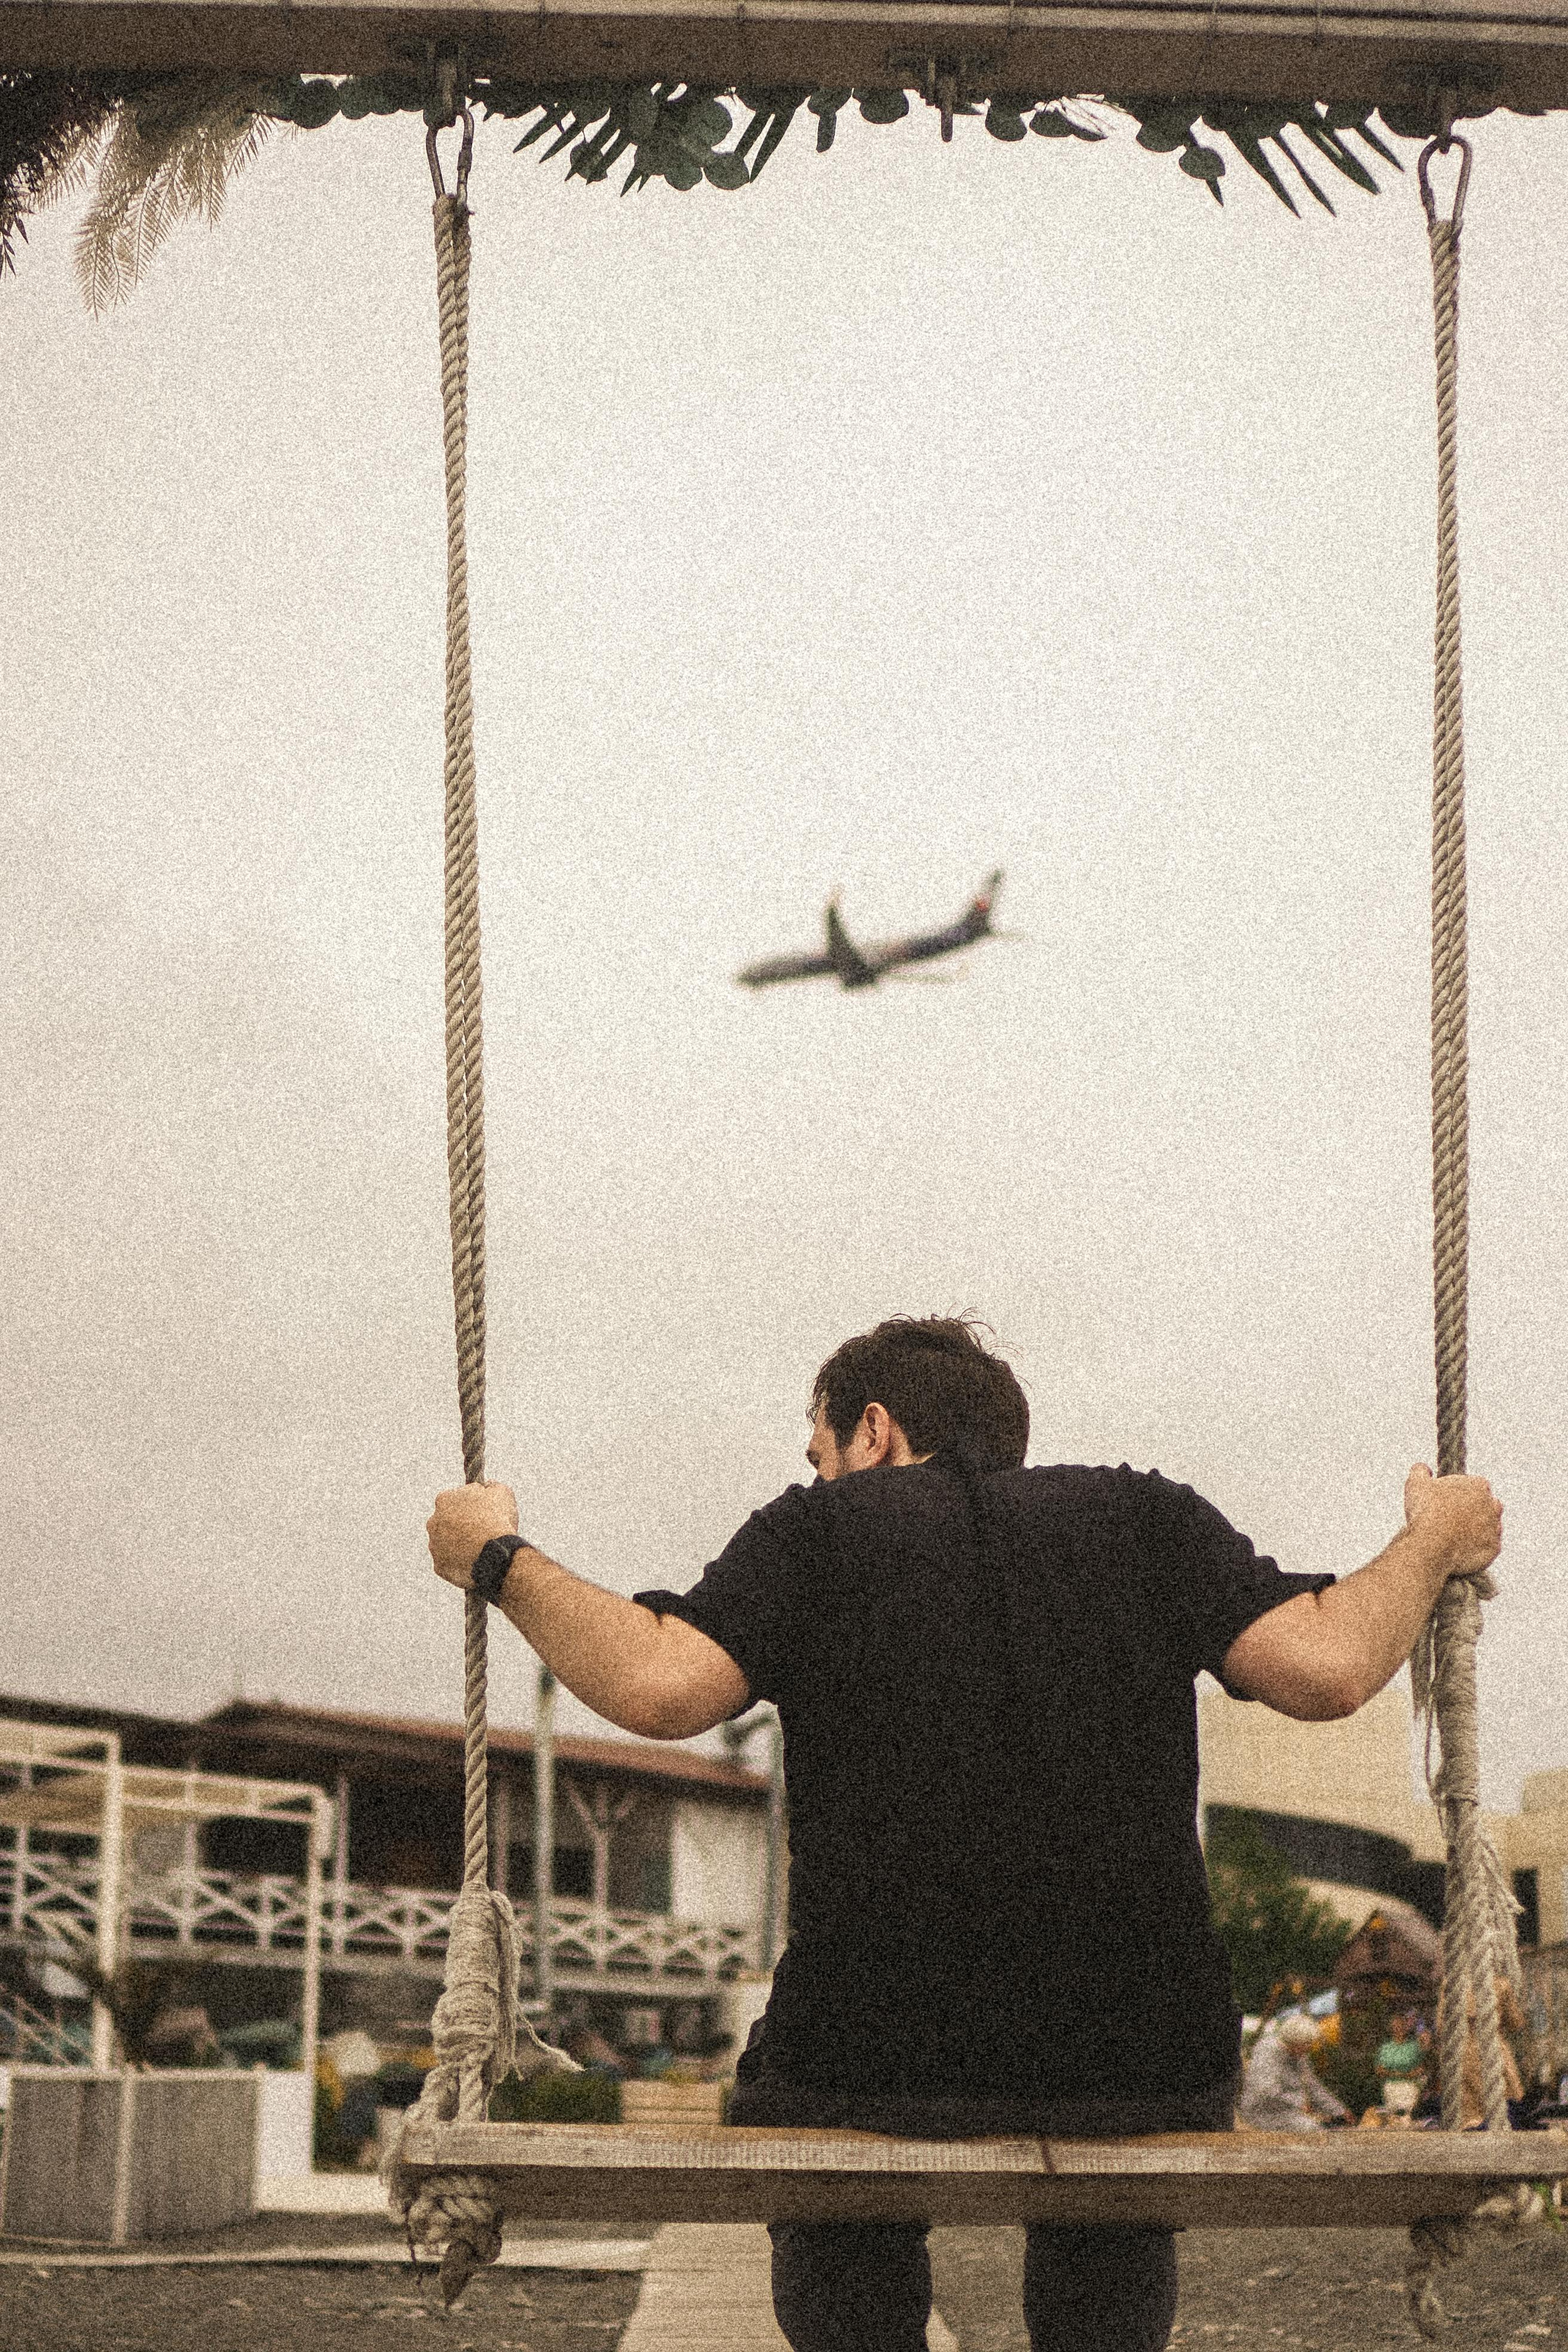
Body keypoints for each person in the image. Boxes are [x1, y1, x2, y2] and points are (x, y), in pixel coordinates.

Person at [426, 1314, 1504, 2352]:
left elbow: (660, 1685)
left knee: (818, 2167)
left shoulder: (820, 1530)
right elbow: (1330, 1669)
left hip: (870, 2052)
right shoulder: (1147, 1517)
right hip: (1136, 2060)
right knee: (1115, 2181)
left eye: (821, 1450)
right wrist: (1433, 1538)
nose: (816, 1475)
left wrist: (497, 1557)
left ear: (875, 1430)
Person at [1237, 2011, 1352, 2129]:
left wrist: (1338, 2111)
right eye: (1307, 2045)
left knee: (1325, 2128)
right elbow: (1267, 2091)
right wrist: (1299, 2102)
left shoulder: (1299, 2054)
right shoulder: (1268, 2053)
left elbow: (1312, 2086)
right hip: (1262, 2113)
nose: (1309, 2049)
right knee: (1311, 2129)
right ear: (1295, 2042)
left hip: (1288, 2111)